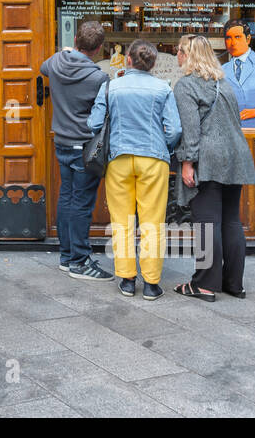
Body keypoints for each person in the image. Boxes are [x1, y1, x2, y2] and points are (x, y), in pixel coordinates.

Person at [88, 39, 182, 300]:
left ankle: (127, 279)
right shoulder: (163, 89)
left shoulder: (112, 87)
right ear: (153, 63)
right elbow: (174, 130)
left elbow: (94, 124)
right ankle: (151, 283)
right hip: (153, 158)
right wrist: (166, 146)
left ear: (128, 60)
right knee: (152, 222)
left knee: (122, 222)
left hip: (119, 158)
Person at [171, 34, 255, 302]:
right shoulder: (223, 83)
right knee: (231, 221)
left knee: (207, 224)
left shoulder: (186, 85)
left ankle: (205, 284)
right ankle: (234, 283)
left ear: (186, 55)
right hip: (236, 156)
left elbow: (191, 130)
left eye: (179, 52)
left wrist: (187, 163)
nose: (176, 56)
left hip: (208, 159)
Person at [39, 20, 114, 282]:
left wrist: (66, 52)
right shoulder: (98, 77)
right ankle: (80, 261)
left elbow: (42, 67)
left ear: (77, 41)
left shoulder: (57, 62)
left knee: (66, 198)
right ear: (99, 49)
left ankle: (67, 255)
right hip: (85, 146)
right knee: (81, 204)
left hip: (62, 141)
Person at [222, 20, 255, 128]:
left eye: (237, 37)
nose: (233, 43)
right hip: (231, 133)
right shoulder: (221, 70)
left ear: (248, 39)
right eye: (228, 38)